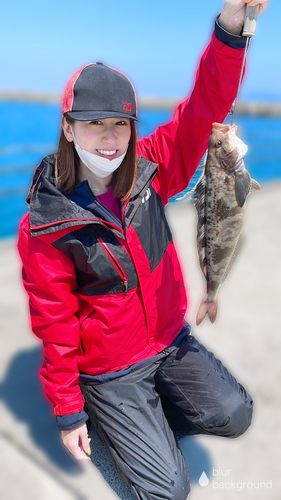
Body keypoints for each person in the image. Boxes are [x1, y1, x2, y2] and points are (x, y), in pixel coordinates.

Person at [18, 1, 268, 499]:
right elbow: (54, 322)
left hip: (169, 340)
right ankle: (112, 417)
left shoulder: (153, 171)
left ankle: (143, 423)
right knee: (168, 492)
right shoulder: (44, 226)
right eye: (95, 124)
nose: (110, 140)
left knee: (235, 414)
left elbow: (204, 106)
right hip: (111, 368)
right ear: (68, 128)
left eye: (121, 125)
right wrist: (68, 412)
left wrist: (232, 29)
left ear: (133, 128)